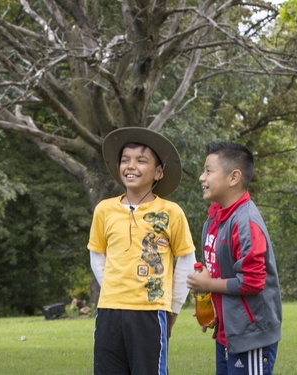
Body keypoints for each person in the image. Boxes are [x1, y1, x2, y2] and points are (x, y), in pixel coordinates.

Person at [88, 127, 197, 374]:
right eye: (125, 160)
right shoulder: (104, 210)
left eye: (141, 160)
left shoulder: (171, 212)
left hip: (150, 312)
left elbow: (186, 260)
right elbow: (97, 255)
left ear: (158, 172)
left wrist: (173, 309)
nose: (131, 166)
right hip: (109, 311)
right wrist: (115, 289)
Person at [187, 141, 282, 375]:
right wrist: (215, 309)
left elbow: (252, 282)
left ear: (233, 178)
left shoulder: (245, 223)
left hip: (251, 335)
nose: (202, 177)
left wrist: (208, 284)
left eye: (209, 171)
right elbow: (221, 272)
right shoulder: (214, 220)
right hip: (228, 331)